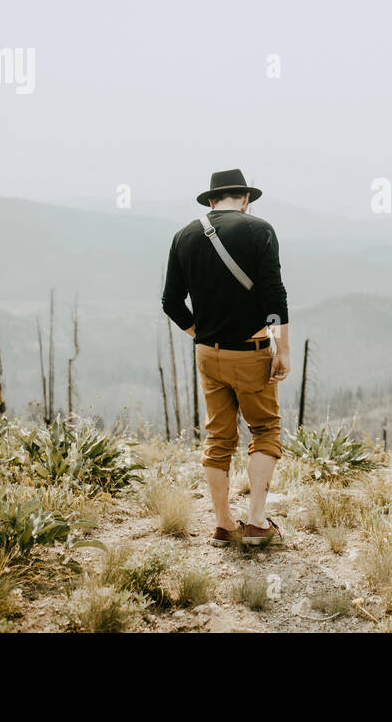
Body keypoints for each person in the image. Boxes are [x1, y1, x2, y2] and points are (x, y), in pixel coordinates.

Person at [161, 169, 290, 546]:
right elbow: (274, 296)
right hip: (250, 353)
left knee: (218, 438)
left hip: (207, 354)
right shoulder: (261, 231)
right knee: (264, 430)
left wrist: (199, 334)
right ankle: (256, 523)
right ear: (245, 198)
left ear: (212, 200)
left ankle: (222, 525)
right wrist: (282, 349)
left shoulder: (183, 235)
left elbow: (171, 302)